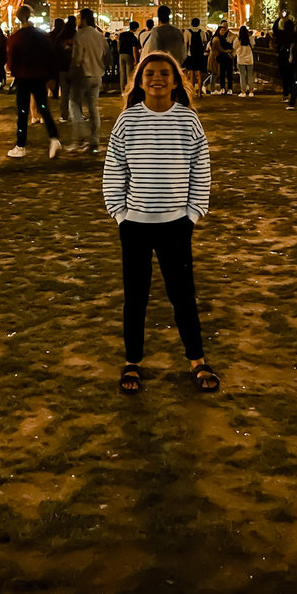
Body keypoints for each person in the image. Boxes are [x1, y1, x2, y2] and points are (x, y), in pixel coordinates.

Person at [102, 52, 218, 394]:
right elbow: (114, 169)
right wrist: (120, 213)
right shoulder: (127, 121)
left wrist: (194, 212)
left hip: (176, 224)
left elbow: (201, 168)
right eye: (149, 73)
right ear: (139, 81)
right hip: (135, 223)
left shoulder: (188, 121)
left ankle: (196, 358)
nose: (157, 78)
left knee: (183, 295)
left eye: (165, 73)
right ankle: (132, 360)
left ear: (176, 81)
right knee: (135, 297)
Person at [5, 5, 61, 159]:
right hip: (40, 76)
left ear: (18, 18)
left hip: (23, 77)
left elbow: (11, 63)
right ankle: (54, 138)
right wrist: (52, 77)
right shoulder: (42, 35)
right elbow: (51, 56)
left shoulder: (15, 37)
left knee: (22, 112)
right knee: (44, 108)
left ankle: (21, 145)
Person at [69, 7, 107, 153]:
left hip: (83, 75)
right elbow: (106, 55)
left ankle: (80, 138)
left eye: (79, 18)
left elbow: (77, 58)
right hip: (97, 75)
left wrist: (72, 73)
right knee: (93, 108)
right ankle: (94, 140)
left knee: (74, 105)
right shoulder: (99, 35)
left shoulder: (80, 35)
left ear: (83, 19)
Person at [182, 17, 208, 98]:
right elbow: (205, 42)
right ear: (199, 23)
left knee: (191, 76)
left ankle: (192, 93)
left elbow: (186, 43)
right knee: (199, 75)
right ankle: (199, 92)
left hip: (191, 56)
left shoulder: (187, 32)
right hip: (199, 56)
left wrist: (185, 54)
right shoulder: (202, 32)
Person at [209, 20, 235, 94]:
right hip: (220, 57)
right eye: (222, 28)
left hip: (227, 57)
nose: (224, 29)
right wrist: (227, 51)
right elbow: (219, 48)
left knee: (228, 73)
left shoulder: (230, 35)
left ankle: (229, 88)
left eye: (225, 26)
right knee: (220, 73)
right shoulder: (217, 38)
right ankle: (221, 88)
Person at [117, 20, 140, 93]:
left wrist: (119, 51)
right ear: (135, 28)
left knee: (122, 73)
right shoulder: (133, 37)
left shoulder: (122, 34)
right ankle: (128, 90)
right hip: (128, 55)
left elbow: (118, 44)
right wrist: (136, 61)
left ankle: (122, 90)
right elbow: (134, 49)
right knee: (129, 74)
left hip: (121, 54)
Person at [235, 25, 255, 96]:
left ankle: (243, 91)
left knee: (242, 75)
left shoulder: (238, 39)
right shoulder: (250, 39)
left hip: (241, 58)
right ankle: (251, 91)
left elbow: (234, 47)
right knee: (250, 75)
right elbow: (253, 45)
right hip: (249, 59)